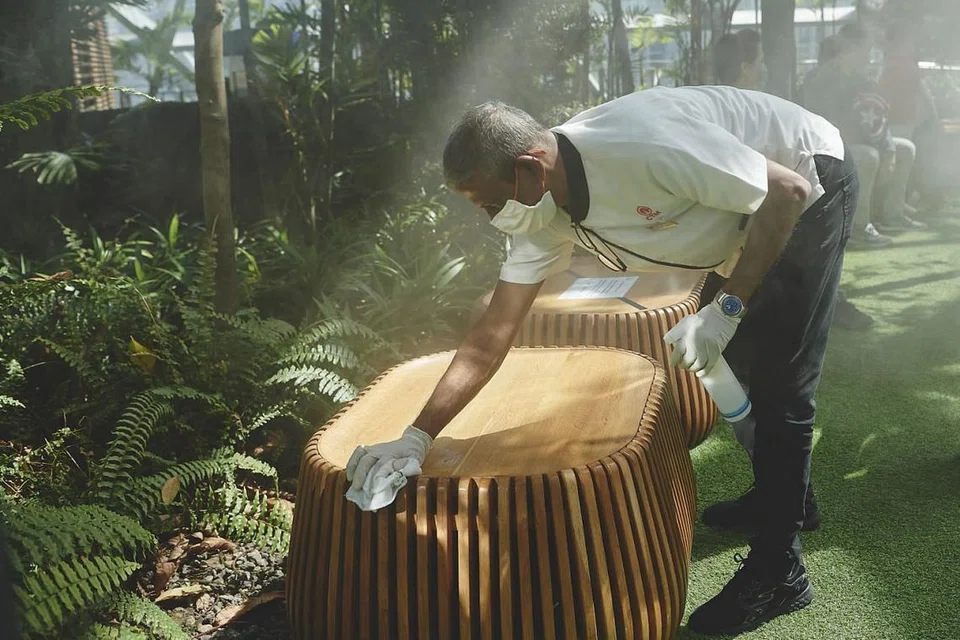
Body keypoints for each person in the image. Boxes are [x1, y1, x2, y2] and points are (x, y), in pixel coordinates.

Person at [345, 86, 857, 635]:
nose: (493, 219)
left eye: (491, 204)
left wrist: (728, 308)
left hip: (808, 178)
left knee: (781, 382)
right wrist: (416, 436)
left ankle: (780, 571)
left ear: (530, 170)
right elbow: (492, 335)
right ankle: (786, 496)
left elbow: (787, 190)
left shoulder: (645, 143)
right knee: (737, 362)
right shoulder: (541, 215)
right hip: (742, 219)